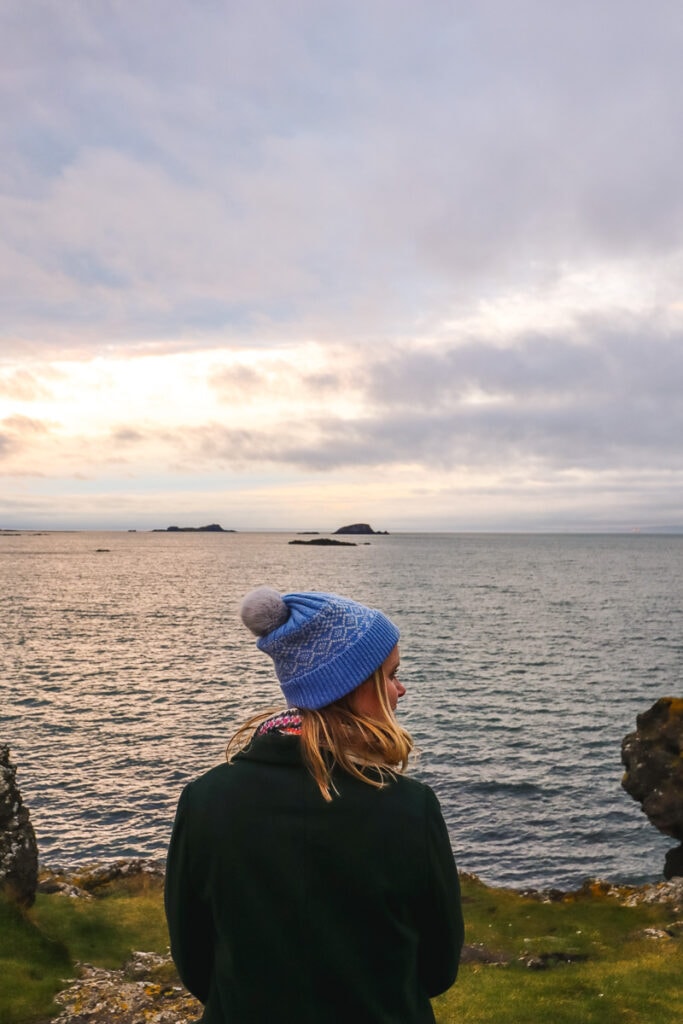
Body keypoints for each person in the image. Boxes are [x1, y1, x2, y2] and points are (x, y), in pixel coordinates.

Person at [165, 587, 464, 1024]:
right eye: (391, 675)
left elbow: (193, 958)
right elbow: (438, 967)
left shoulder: (206, 799)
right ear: (353, 684)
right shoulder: (410, 808)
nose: (401, 690)